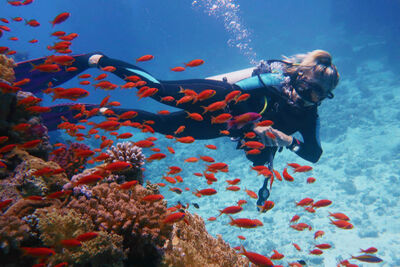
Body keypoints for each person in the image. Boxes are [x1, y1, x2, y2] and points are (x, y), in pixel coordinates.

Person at [13, 49, 339, 209]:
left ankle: (91, 110)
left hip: (220, 127)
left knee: (158, 125)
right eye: (308, 86)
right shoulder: (272, 81)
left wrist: (285, 142)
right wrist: (256, 126)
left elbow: (313, 153)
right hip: (217, 99)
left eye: (319, 94)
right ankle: (94, 60)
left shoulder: (309, 118)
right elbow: (238, 93)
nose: (310, 97)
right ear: (297, 75)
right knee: (158, 90)